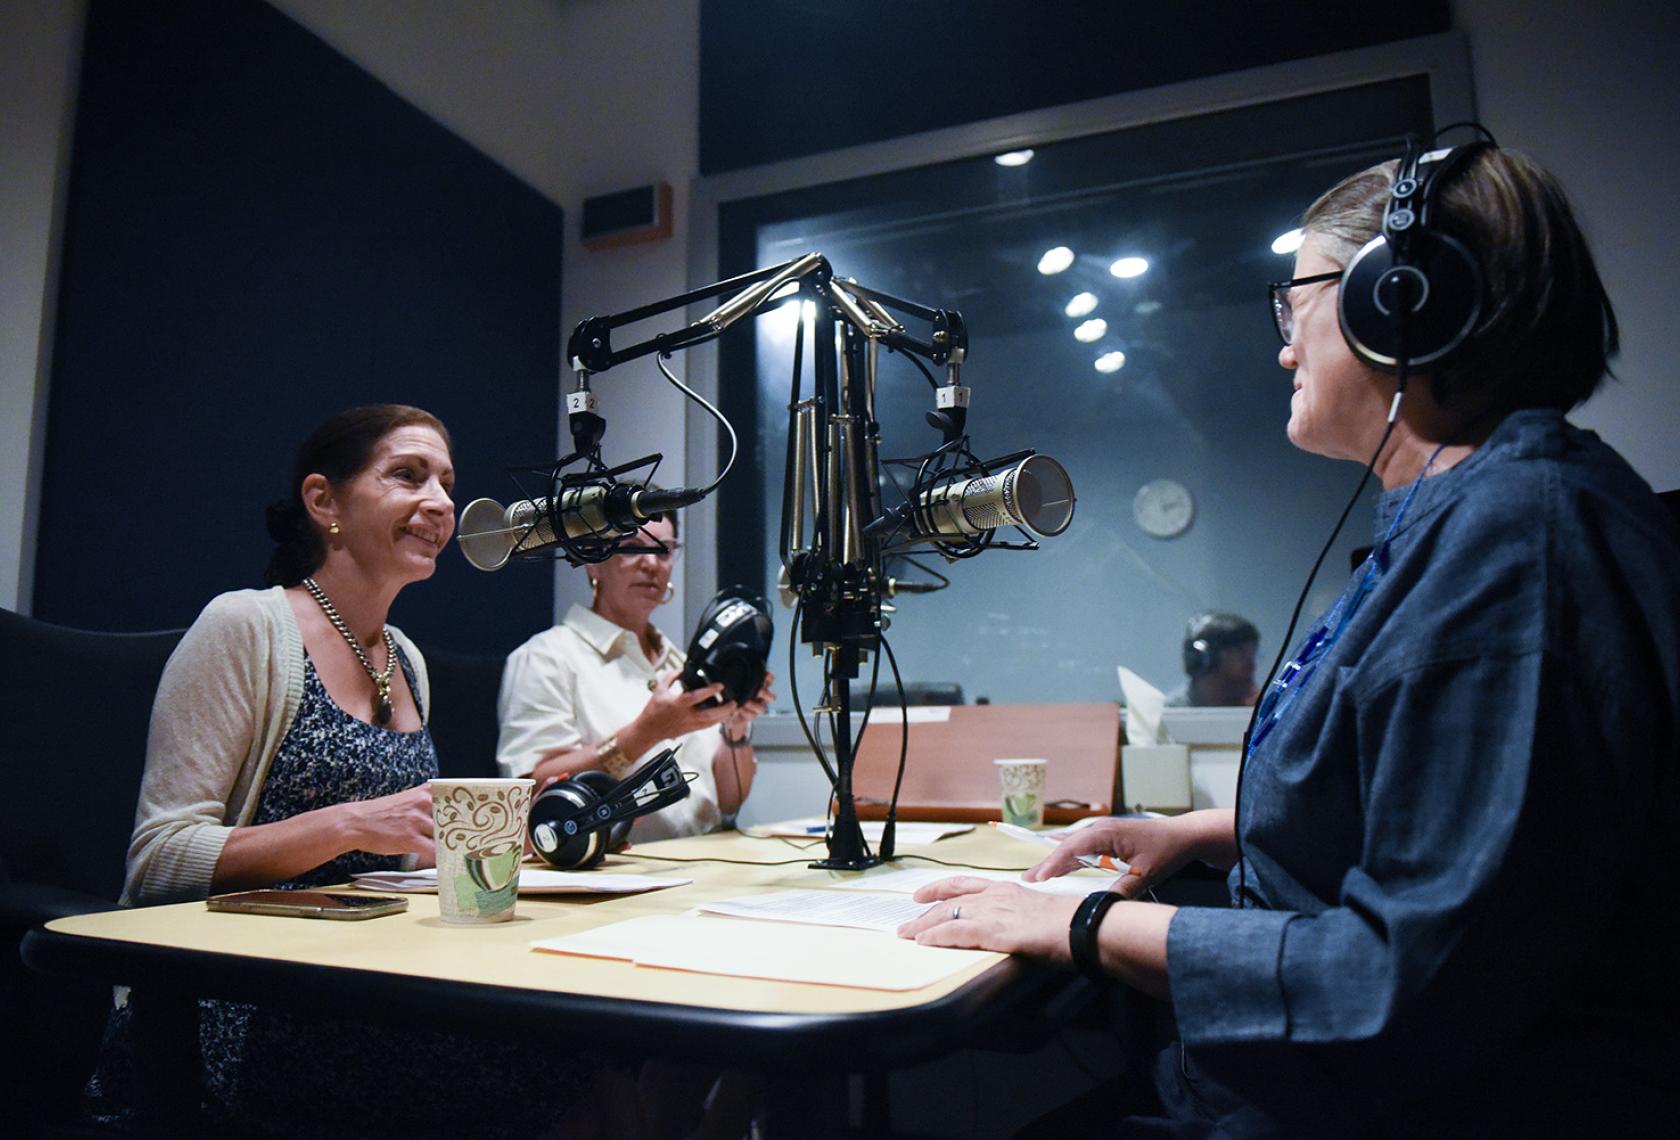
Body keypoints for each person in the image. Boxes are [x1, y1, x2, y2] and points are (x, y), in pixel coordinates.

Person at [897, 140, 1679, 1135]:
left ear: (1398, 300)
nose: (1282, 348)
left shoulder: (1516, 551)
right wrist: (1188, 834)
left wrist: (1084, 920)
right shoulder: (1462, 530)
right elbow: (1425, 800)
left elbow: (1406, 979)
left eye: (1293, 304)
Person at [91, 405, 584, 1137]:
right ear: (324, 502)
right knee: (558, 1057)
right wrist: (351, 823)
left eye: (447, 483)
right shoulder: (246, 627)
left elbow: (402, 849)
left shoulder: (406, 657)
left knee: (584, 1041)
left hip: (379, 973)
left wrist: (493, 851)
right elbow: (158, 860)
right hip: (251, 998)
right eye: (408, 475)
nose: (442, 503)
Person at [496, 509, 774, 838]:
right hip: (614, 874)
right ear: (593, 559)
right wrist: (646, 732)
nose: (652, 563)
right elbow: (530, 792)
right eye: (631, 546)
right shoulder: (545, 658)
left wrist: (736, 727)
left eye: (664, 548)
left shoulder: (684, 663)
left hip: (705, 863)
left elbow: (729, 802)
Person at [1162, 611, 1259, 707]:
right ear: (1206, 658)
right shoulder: (1170, 713)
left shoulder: (1255, 710)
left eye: (1252, 657)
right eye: (1242, 656)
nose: (1251, 666)